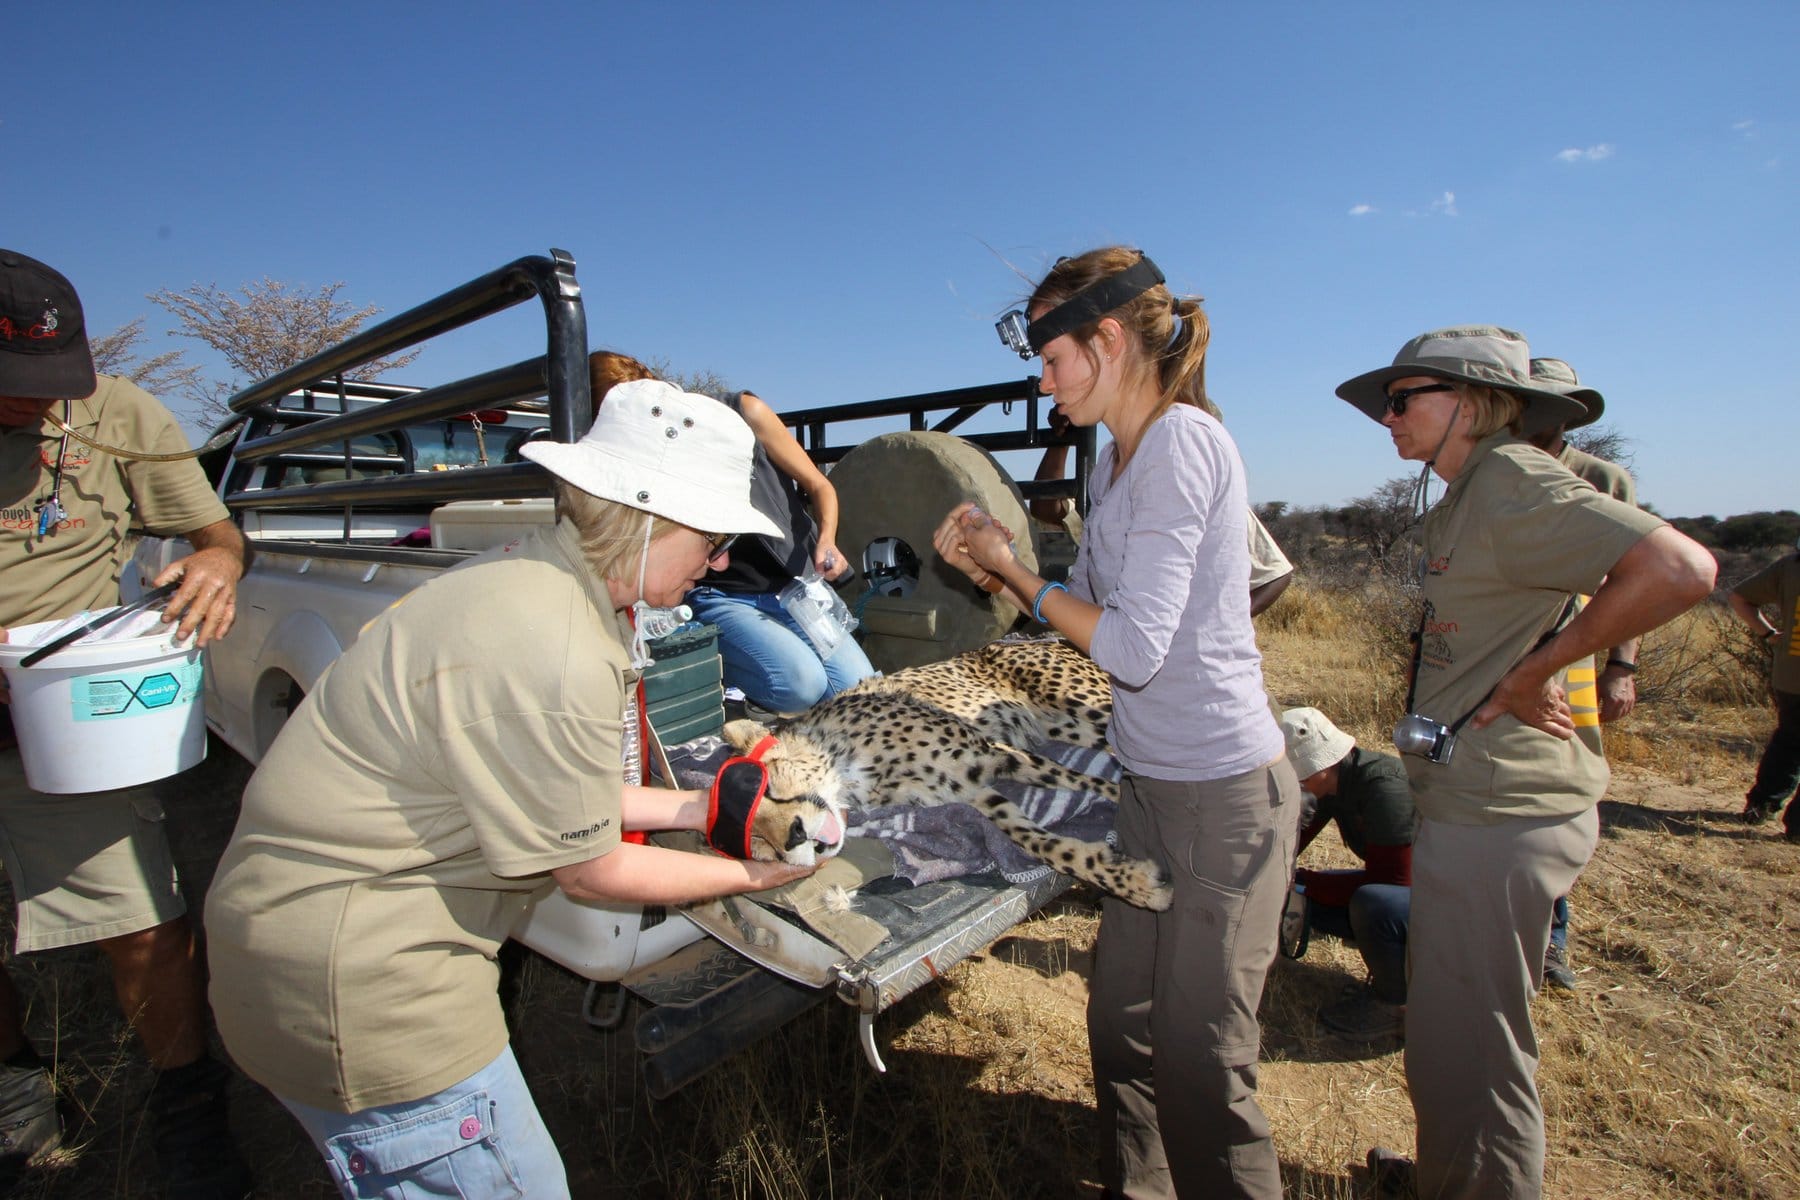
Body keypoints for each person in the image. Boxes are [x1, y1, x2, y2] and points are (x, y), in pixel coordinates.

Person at [202, 380, 817, 1196]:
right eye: (710, 542)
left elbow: (556, 787)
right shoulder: (554, 642)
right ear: (646, 522)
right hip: (371, 993)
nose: (722, 562)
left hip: (297, 943)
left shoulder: (526, 578)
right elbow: (593, 869)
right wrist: (764, 876)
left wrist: (697, 808)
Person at [938, 247, 1298, 1199]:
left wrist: (1020, 577)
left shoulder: (1184, 441)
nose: (1045, 386)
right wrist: (999, 555)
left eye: (1053, 363)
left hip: (1223, 796)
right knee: (1122, 1028)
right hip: (1151, 788)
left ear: (1107, 341)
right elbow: (1084, 603)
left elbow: (1130, 650)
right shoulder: (1116, 459)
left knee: (1202, 1062)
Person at [1337, 325, 1715, 1199]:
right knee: (1452, 1032)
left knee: (1474, 1046)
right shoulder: (1476, 489)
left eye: (1404, 399)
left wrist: (1539, 668)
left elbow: (1679, 569)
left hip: (1501, 812)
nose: (1386, 418)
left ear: (1470, 401)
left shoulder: (1513, 480)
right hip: (1479, 803)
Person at [0, 251, 251, 1193]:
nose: (36, 406)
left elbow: (214, 532)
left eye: (50, 384)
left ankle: (188, 1105)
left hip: (70, 715)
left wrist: (219, 566)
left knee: (139, 916)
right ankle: (19, 1085)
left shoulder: (116, 412)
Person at [1526, 356, 1641, 991]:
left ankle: (1552, 937)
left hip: (1568, 659)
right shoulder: (1490, 471)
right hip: (1493, 656)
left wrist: (1620, 664)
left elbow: (1636, 578)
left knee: (1559, 794)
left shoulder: (1599, 479)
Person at [684, 387, 877, 714]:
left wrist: (826, 539)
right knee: (801, 685)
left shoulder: (747, 411)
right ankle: (722, 677)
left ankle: (773, 680)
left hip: (793, 590)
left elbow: (820, 485)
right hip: (723, 596)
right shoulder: (664, 450)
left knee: (861, 690)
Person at [1030, 408, 1295, 616]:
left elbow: (1276, 573)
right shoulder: (1114, 488)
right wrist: (1061, 440)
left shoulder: (1216, 506)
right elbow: (1046, 508)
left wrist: (1219, 624)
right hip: (1110, 644)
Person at [1279, 707, 1414, 1042]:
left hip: (1442, 899)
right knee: (1313, 899)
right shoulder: (1333, 783)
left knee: (1374, 902)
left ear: (1321, 765)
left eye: (1300, 774)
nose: (1297, 782)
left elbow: (1395, 881)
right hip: (1405, 893)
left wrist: (1301, 883)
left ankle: (1396, 1006)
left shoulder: (1384, 788)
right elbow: (1292, 847)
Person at [1727, 541, 1800, 840]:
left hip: (1791, 673)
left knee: (1789, 739)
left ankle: (1761, 804)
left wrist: (1768, 634)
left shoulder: (1790, 567)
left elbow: (1738, 597)